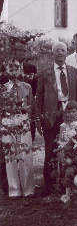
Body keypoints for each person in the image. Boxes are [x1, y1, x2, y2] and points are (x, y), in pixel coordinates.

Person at [35, 42, 77, 195]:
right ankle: (48, 185)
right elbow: (39, 96)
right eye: (57, 51)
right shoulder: (45, 72)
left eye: (63, 50)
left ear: (66, 52)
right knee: (50, 150)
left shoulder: (73, 71)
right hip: (51, 115)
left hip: (70, 113)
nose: (60, 53)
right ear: (53, 54)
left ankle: (69, 184)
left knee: (72, 149)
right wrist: (39, 117)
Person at [2, 58, 35, 198]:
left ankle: (28, 189)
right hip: (8, 121)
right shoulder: (3, 88)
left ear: (20, 70)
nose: (14, 71)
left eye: (16, 68)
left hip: (23, 120)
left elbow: (31, 106)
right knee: (11, 155)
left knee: (25, 155)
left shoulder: (27, 86)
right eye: (11, 69)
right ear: (6, 71)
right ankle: (14, 189)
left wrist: (28, 117)